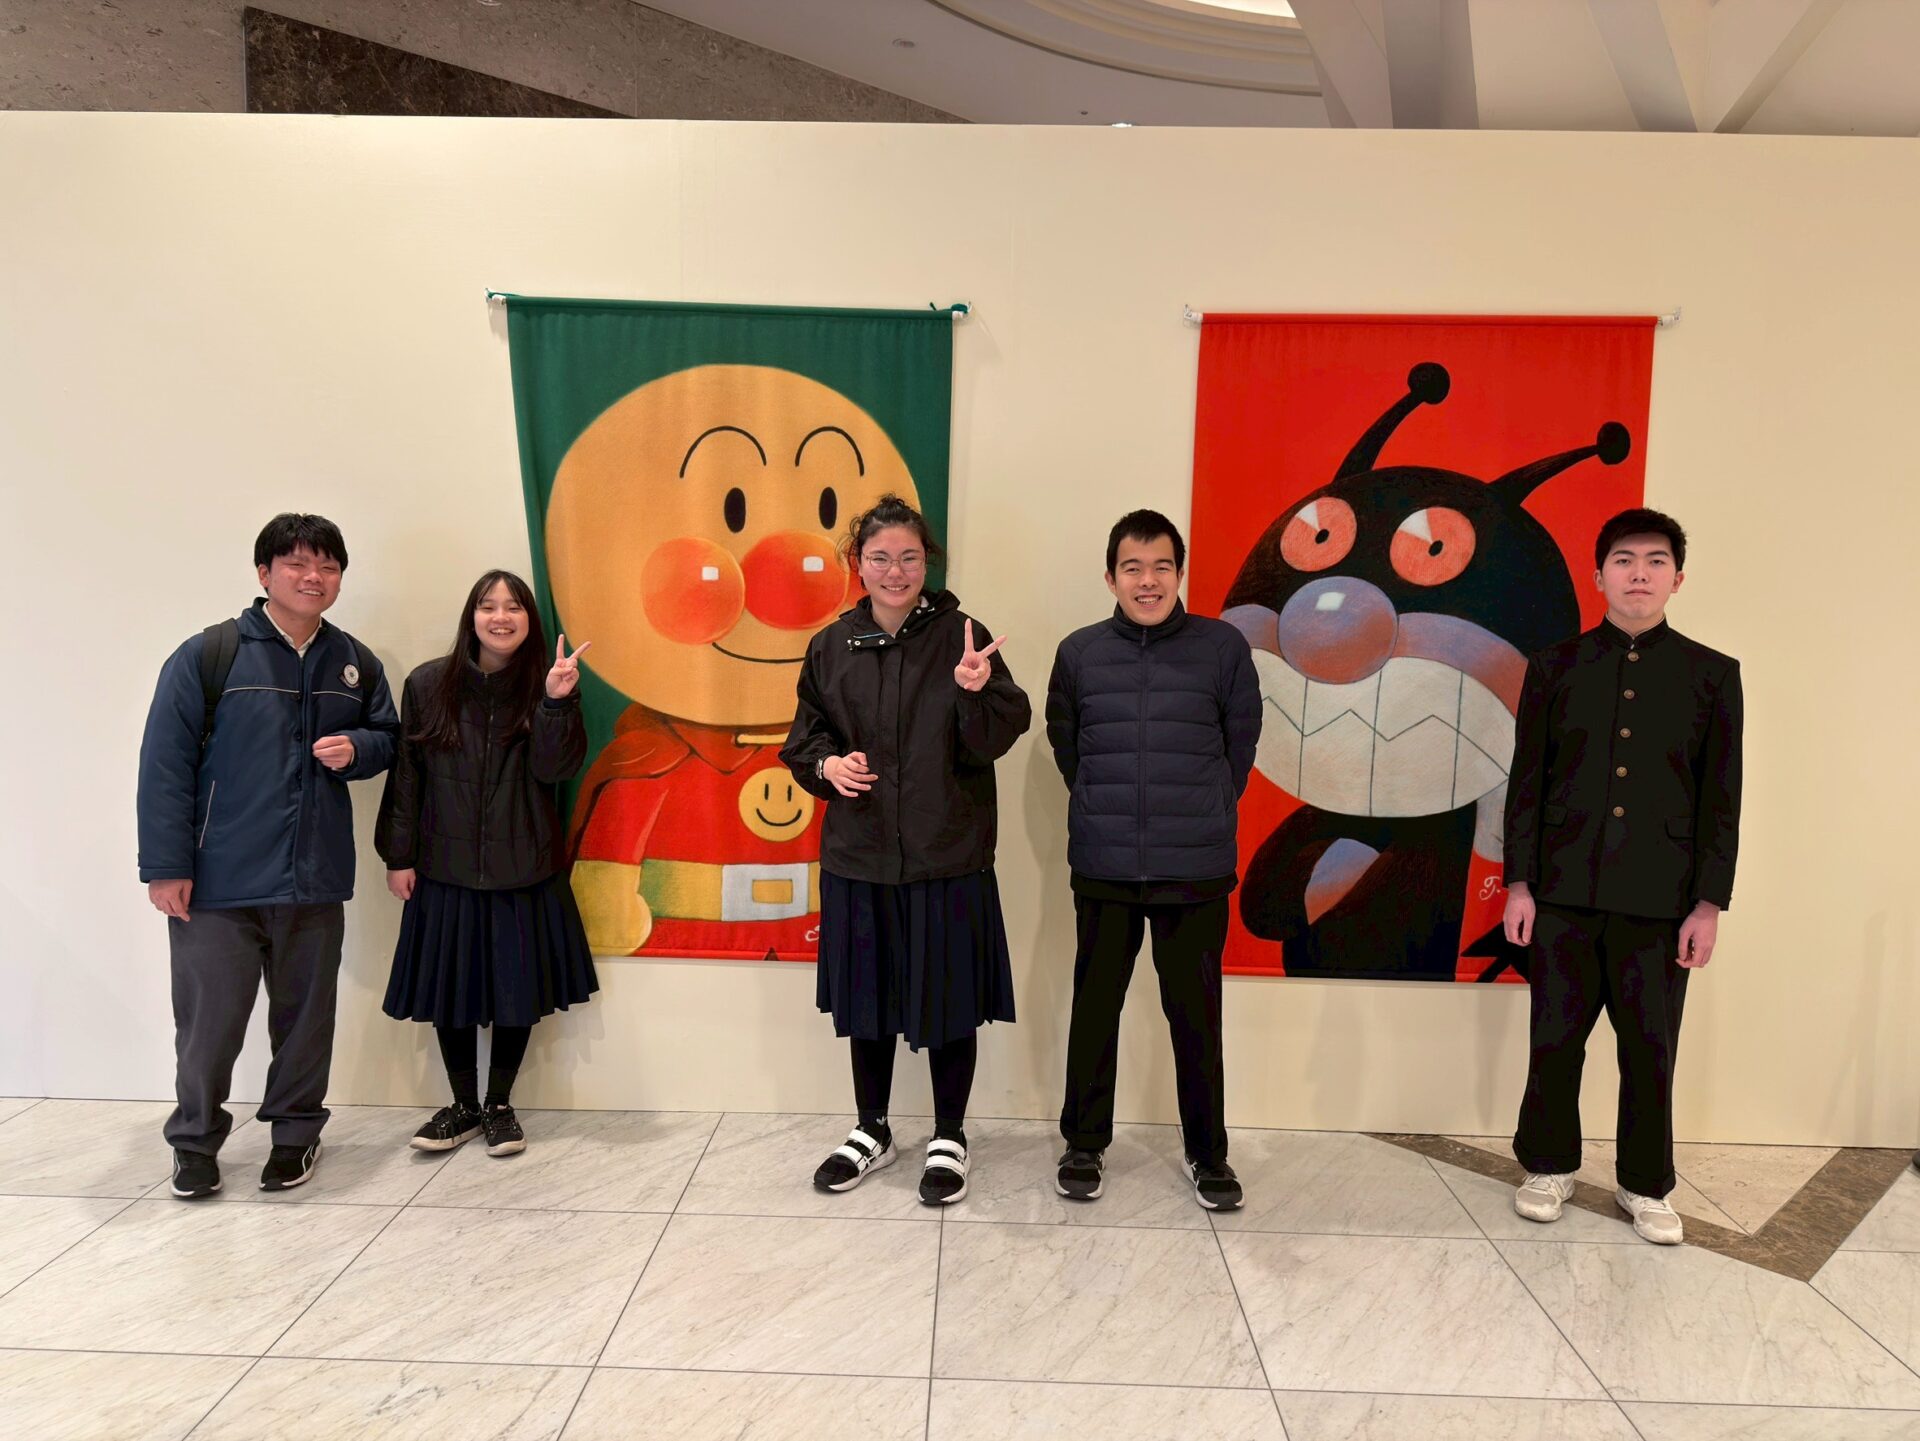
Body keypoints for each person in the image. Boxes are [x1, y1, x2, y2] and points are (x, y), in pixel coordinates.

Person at [138, 513, 399, 1198]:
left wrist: (359, 749)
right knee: (208, 1025)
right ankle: (195, 1141)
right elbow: (164, 764)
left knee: (306, 1021)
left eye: (328, 567)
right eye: (298, 564)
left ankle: (295, 1135)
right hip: (217, 883)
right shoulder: (210, 654)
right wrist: (166, 866)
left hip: (314, 879)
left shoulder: (355, 662)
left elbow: (389, 737)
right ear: (265, 573)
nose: (314, 577)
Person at [781, 495, 1030, 1205]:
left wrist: (977, 692)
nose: (896, 571)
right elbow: (804, 740)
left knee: (950, 1001)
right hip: (859, 857)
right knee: (868, 1001)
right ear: (857, 564)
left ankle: (949, 1134)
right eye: (881, 557)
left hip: (946, 856)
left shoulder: (964, 637)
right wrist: (827, 766)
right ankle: (872, 1128)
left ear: (929, 562)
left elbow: (997, 736)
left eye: (910, 557)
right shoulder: (831, 645)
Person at [1503, 508, 1742, 1245]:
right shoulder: (1556, 666)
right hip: (1562, 892)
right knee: (1554, 1039)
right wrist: (1519, 885)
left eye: (1655, 561)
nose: (1640, 573)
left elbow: (1722, 797)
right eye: (1625, 560)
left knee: (1649, 1049)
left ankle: (1645, 1183)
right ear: (1599, 574)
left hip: (1662, 900)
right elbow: (1527, 783)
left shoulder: (1712, 674)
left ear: (1678, 578)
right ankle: (1548, 1165)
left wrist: (1708, 904)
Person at [1047, 510, 1261, 1211]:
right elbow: (1068, 747)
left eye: (1162, 566)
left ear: (1180, 572)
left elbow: (1240, 744)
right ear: (1111, 577)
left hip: (1194, 867)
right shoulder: (1079, 653)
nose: (1148, 581)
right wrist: (1107, 808)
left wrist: (1204, 806)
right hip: (1105, 863)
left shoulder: (1222, 648)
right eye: (1133, 568)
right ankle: (1084, 1143)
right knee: (1095, 1009)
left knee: (1196, 1017)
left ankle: (1209, 1154)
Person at [376, 570, 599, 1157]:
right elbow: (407, 777)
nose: (500, 617)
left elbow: (556, 770)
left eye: (514, 606)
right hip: (443, 864)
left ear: (530, 620)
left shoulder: (548, 684)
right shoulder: (428, 684)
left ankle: (499, 1105)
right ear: (471, 617)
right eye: (488, 605)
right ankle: (463, 1106)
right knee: (450, 989)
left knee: (513, 989)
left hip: (524, 865)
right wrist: (399, 855)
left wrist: (556, 702)